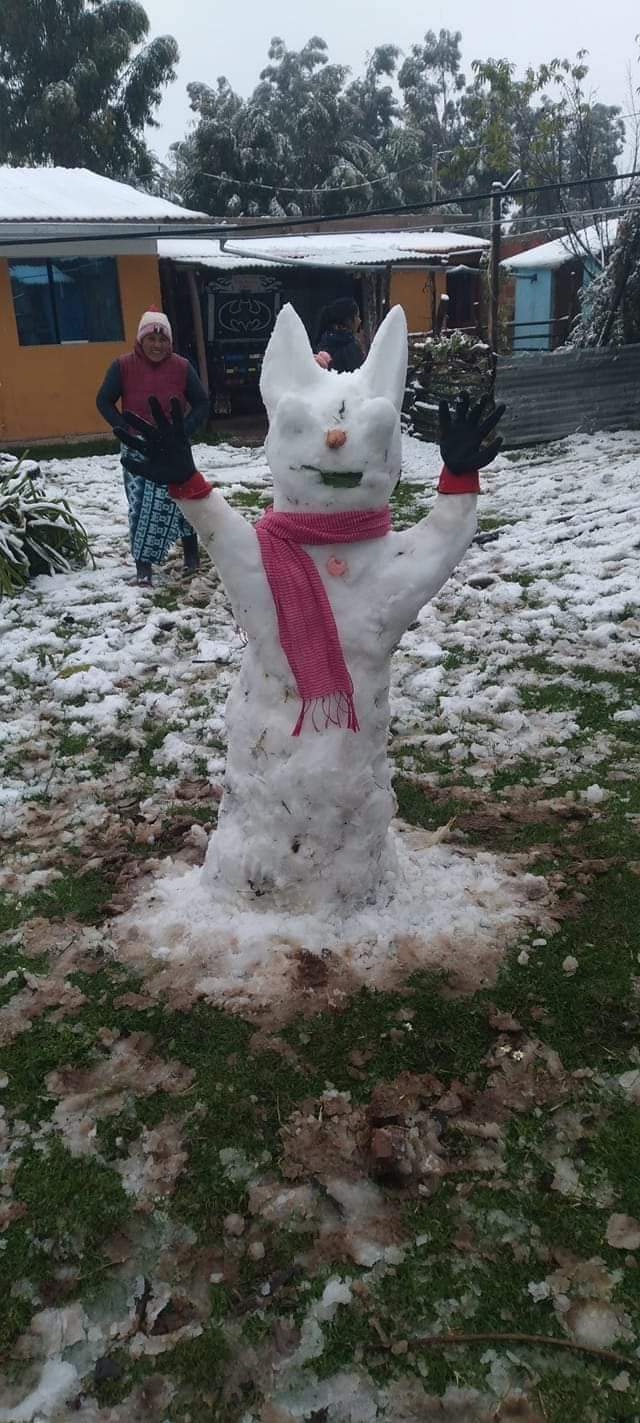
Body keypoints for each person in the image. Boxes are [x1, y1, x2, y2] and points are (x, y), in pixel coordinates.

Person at [96, 309, 209, 585]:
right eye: (151, 338)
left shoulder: (181, 366)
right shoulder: (122, 366)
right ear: (141, 340)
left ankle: (191, 557)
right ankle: (143, 567)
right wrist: (123, 429)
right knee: (139, 506)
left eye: (163, 340)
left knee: (183, 500)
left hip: (174, 449)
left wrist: (185, 430)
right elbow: (104, 400)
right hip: (139, 449)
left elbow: (202, 402)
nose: (157, 345)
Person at [314, 297, 364, 373]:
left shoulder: (323, 343)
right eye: (357, 316)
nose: (360, 320)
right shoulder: (350, 350)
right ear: (348, 321)